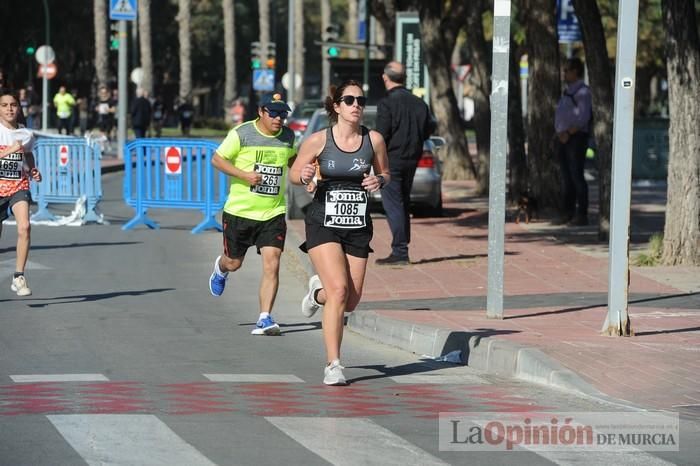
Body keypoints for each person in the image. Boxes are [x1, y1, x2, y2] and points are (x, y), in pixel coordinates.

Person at [290, 80, 390, 385]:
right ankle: (333, 364)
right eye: (349, 100)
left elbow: (385, 172)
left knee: (351, 300)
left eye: (360, 99)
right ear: (336, 106)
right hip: (322, 219)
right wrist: (304, 173)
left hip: (358, 223)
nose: (356, 105)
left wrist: (379, 182)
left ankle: (315, 293)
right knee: (339, 291)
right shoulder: (319, 140)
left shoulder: (373, 140)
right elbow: (295, 173)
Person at [208, 92, 296, 336]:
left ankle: (264, 317)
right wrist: (243, 175)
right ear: (261, 111)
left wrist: (308, 175)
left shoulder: (288, 137)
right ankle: (221, 268)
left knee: (272, 264)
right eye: (274, 113)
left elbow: (294, 161)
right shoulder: (241, 134)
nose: (279, 118)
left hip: (273, 212)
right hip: (240, 211)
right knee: (234, 262)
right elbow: (217, 159)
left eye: (283, 114)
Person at [374, 61, 435, 265]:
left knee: (393, 204)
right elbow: (429, 130)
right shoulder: (420, 103)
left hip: (392, 160)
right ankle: (402, 246)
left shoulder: (386, 104)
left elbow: (381, 135)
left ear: (385, 78)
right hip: (412, 158)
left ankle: (400, 251)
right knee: (403, 202)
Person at [0, 88, 42, 296]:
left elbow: (28, 156)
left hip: (18, 185)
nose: (9, 109)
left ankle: (19, 276)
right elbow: (10, 152)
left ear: (18, 108)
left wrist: (33, 169)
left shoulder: (25, 133)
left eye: (13, 105)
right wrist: (9, 150)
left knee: (24, 227)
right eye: (5, 105)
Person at [553, 57, 592, 226]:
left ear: (576, 71)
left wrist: (568, 133)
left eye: (567, 70)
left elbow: (584, 117)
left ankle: (581, 214)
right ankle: (567, 213)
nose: (564, 73)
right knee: (566, 177)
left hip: (575, 138)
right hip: (562, 137)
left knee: (577, 176)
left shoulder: (582, 92)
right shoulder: (567, 92)